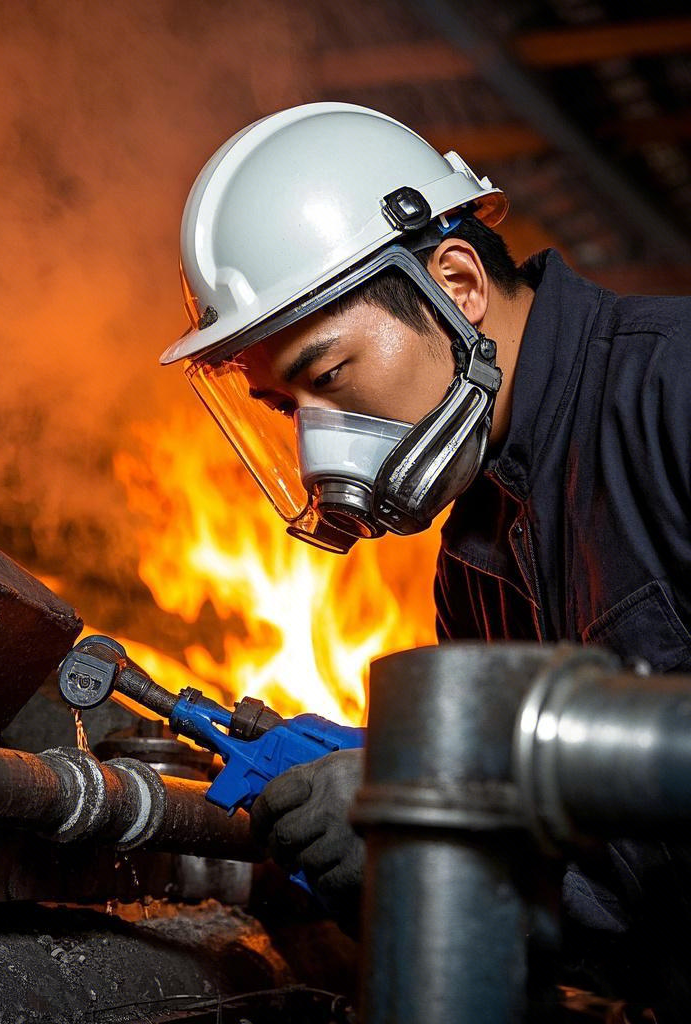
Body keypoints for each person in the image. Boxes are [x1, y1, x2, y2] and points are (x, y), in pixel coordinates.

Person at [160, 101, 691, 1015]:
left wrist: (433, 790)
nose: (322, 448)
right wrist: (421, 849)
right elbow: (617, 915)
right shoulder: (476, 570)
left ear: (457, 281)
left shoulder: (675, 393)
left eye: (327, 376)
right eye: (290, 410)